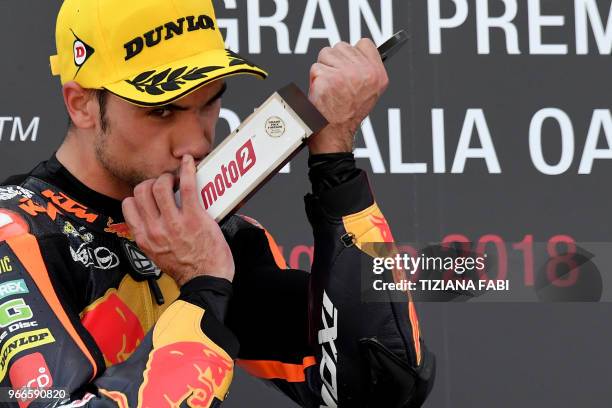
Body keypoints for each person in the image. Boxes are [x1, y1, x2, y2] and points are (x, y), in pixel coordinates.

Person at [0, 0, 434, 406]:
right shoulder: (17, 236)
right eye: (162, 111)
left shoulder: (215, 235)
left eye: (209, 104)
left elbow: (383, 383)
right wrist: (203, 287)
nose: (196, 142)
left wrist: (335, 163)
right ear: (82, 105)